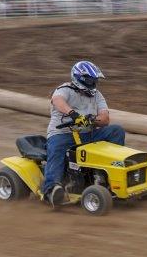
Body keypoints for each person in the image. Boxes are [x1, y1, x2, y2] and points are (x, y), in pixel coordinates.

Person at [40, 60, 126, 206]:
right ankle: (51, 189)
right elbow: (57, 100)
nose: (94, 83)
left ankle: (112, 174)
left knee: (116, 131)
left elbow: (105, 118)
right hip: (62, 134)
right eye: (91, 80)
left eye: (95, 80)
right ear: (80, 79)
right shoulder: (65, 89)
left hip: (88, 134)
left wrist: (92, 120)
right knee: (57, 149)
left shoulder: (97, 95)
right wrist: (73, 114)